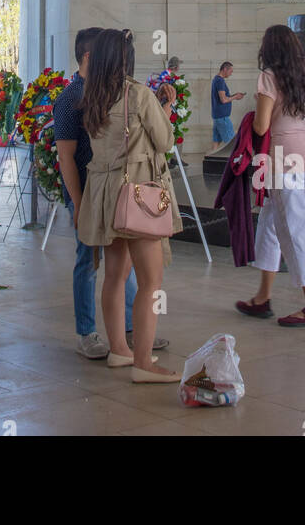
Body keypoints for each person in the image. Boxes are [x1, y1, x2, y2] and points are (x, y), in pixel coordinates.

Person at [75, 28, 179, 382]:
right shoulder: (137, 95)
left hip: (104, 194)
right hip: (137, 195)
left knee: (114, 276)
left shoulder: (91, 96)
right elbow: (164, 141)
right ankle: (144, 364)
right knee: (152, 281)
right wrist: (166, 108)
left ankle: (119, 349)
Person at [56, 27, 165, 362]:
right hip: (95, 192)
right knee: (91, 264)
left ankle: (127, 335)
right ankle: (90, 332)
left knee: (121, 271)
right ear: (91, 56)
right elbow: (66, 156)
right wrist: (77, 203)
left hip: (111, 191)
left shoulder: (98, 93)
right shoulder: (72, 97)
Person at [236, 24, 305, 328]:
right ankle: (262, 297)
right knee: (270, 225)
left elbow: (262, 127)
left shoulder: (269, 77)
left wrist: (247, 122)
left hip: (281, 159)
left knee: (292, 229)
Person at [210, 61, 246, 152]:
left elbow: (223, 98)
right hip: (222, 117)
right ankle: (232, 165)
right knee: (231, 144)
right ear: (225, 69)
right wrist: (235, 97)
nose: (231, 74)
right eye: (231, 71)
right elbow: (223, 100)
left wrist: (234, 95)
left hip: (217, 116)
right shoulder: (220, 81)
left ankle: (211, 162)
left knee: (216, 143)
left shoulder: (216, 79)